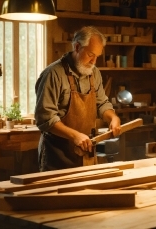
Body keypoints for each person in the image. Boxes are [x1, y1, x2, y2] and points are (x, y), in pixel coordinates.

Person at [35, 26, 121, 172]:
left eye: (97, 56)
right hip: (57, 154)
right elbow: (45, 119)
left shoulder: (94, 74)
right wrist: (75, 136)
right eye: (90, 54)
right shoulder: (53, 74)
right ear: (77, 47)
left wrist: (112, 117)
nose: (94, 61)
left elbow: (102, 104)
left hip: (85, 152)